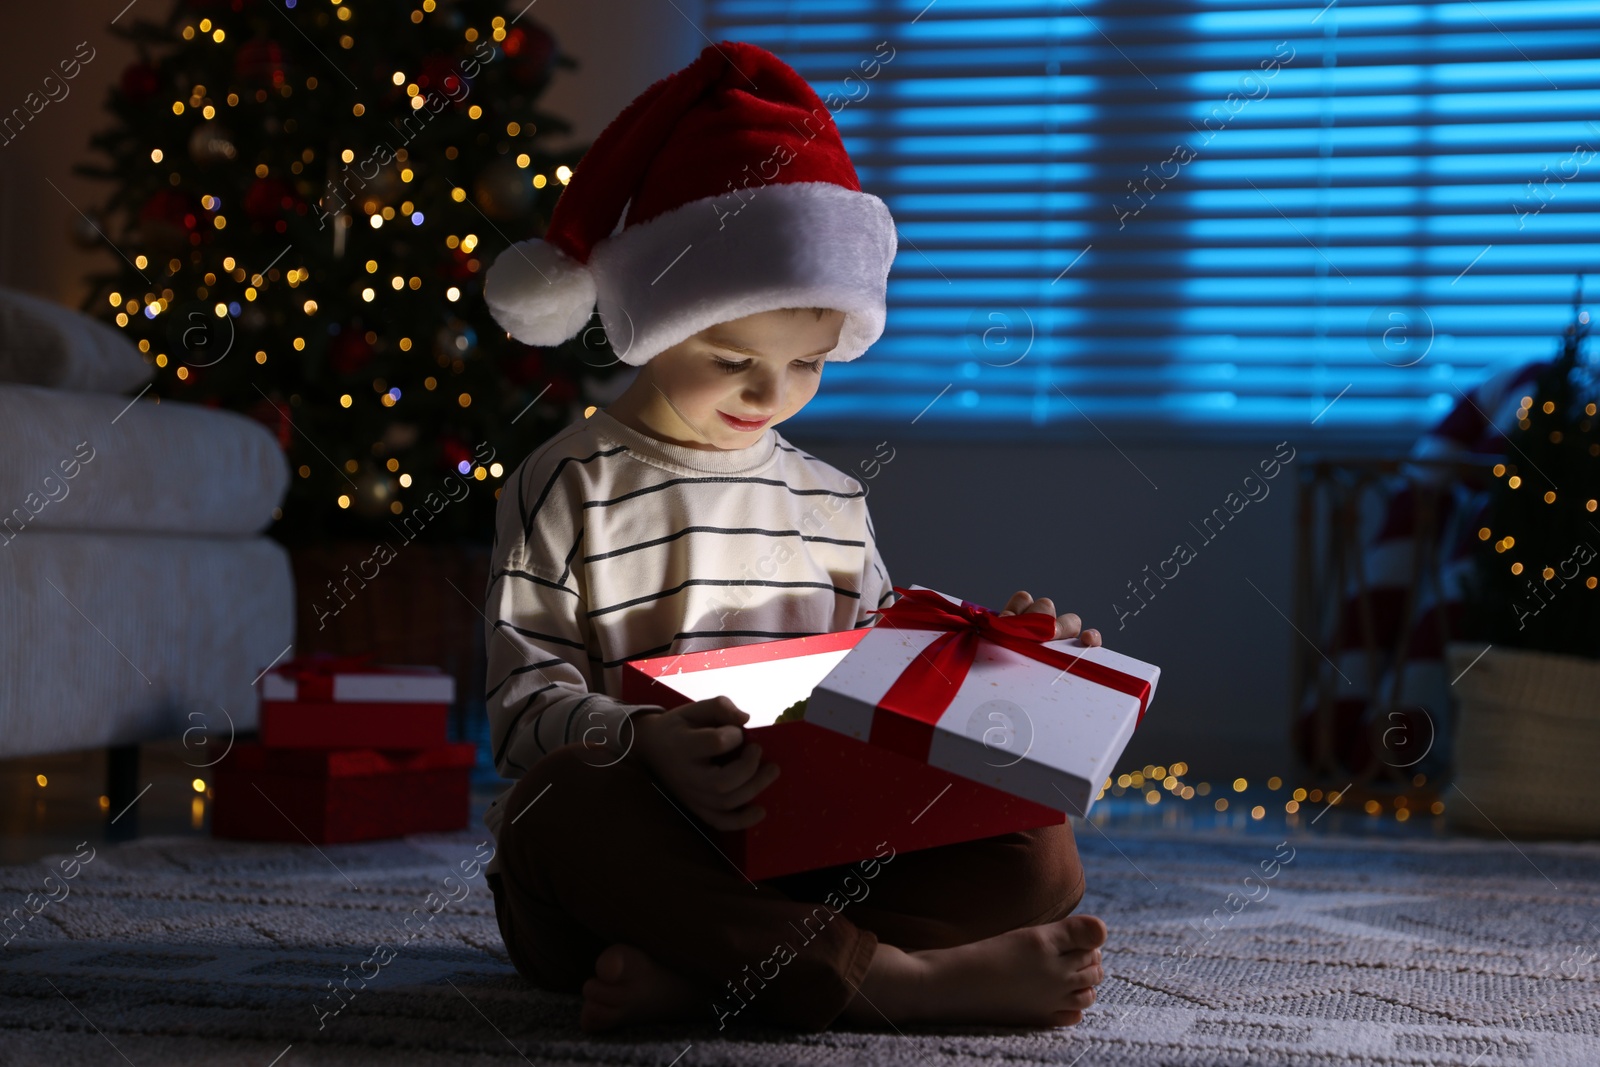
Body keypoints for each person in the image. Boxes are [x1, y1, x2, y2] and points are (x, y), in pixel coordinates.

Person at [479, 39, 1108, 1034]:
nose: (772, 395)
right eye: (731, 358)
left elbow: (882, 683)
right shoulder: (568, 482)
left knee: (1040, 850)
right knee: (555, 808)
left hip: (805, 855)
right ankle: (894, 982)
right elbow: (521, 708)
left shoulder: (830, 499)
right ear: (646, 320)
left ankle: (717, 979)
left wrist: (999, 657)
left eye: (809, 363)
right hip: (637, 858)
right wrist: (641, 740)